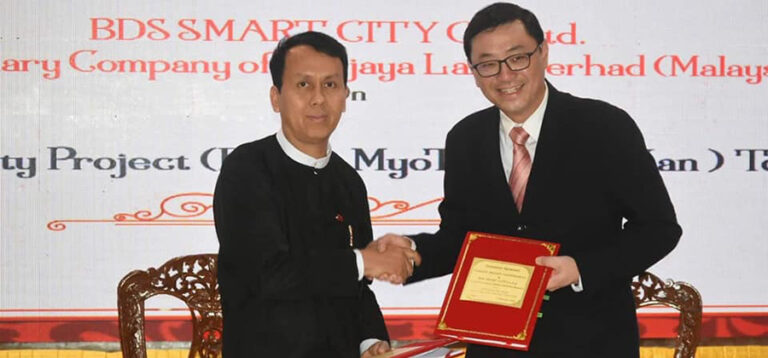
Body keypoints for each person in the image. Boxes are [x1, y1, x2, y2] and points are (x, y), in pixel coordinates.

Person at [373, 3, 682, 357]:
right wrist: (412, 252)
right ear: (474, 72)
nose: (505, 75)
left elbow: (659, 228)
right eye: (488, 64)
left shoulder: (604, 127)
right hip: (495, 346)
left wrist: (580, 269)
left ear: (543, 53)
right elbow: (461, 241)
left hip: (591, 341)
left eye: (517, 58)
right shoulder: (466, 138)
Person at [214, 31, 420, 357]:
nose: (318, 99)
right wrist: (363, 261)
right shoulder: (247, 168)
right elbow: (268, 275)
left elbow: (358, 287)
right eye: (303, 84)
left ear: (345, 96)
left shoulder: (349, 182)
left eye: (330, 85)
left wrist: (370, 341)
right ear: (275, 97)